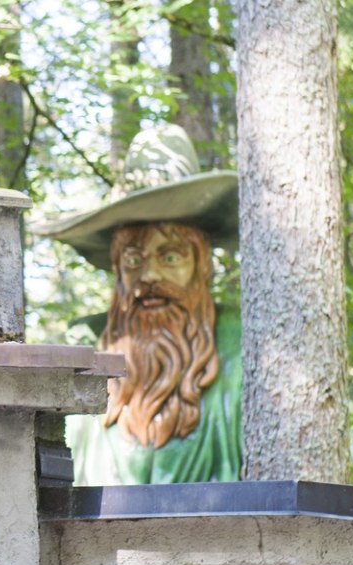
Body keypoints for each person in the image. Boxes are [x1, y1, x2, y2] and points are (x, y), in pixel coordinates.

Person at [37, 125, 243, 485]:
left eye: (170, 257)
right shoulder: (85, 351)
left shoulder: (244, 347)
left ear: (202, 265)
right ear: (117, 269)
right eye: (134, 260)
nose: (148, 275)